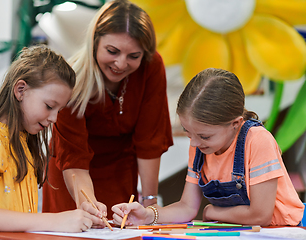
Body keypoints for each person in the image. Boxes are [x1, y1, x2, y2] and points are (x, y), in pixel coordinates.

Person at [112, 68, 304, 226]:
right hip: (243, 231)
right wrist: (147, 215)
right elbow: (187, 207)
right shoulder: (200, 145)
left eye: (205, 136)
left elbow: (260, 216)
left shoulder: (258, 141)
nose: (194, 143)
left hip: (284, 230)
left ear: (235, 124)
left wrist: (212, 211)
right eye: (187, 132)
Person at [42, 0, 173, 221]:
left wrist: (151, 205)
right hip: (72, 176)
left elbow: (149, 141)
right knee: (80, 226)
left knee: (120, 228)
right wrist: (88, 205)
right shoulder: (72, 82)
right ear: (94, 42)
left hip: (119, 171)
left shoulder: (151, 67)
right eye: (112, 51)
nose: (121, 64)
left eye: (134, 56)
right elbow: (74, 160)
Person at [0, 45, 104, 233]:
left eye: (58, 111)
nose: (54, 118)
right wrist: (56, 221)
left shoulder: (24, 141)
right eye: (49, 106)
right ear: (20, 90)